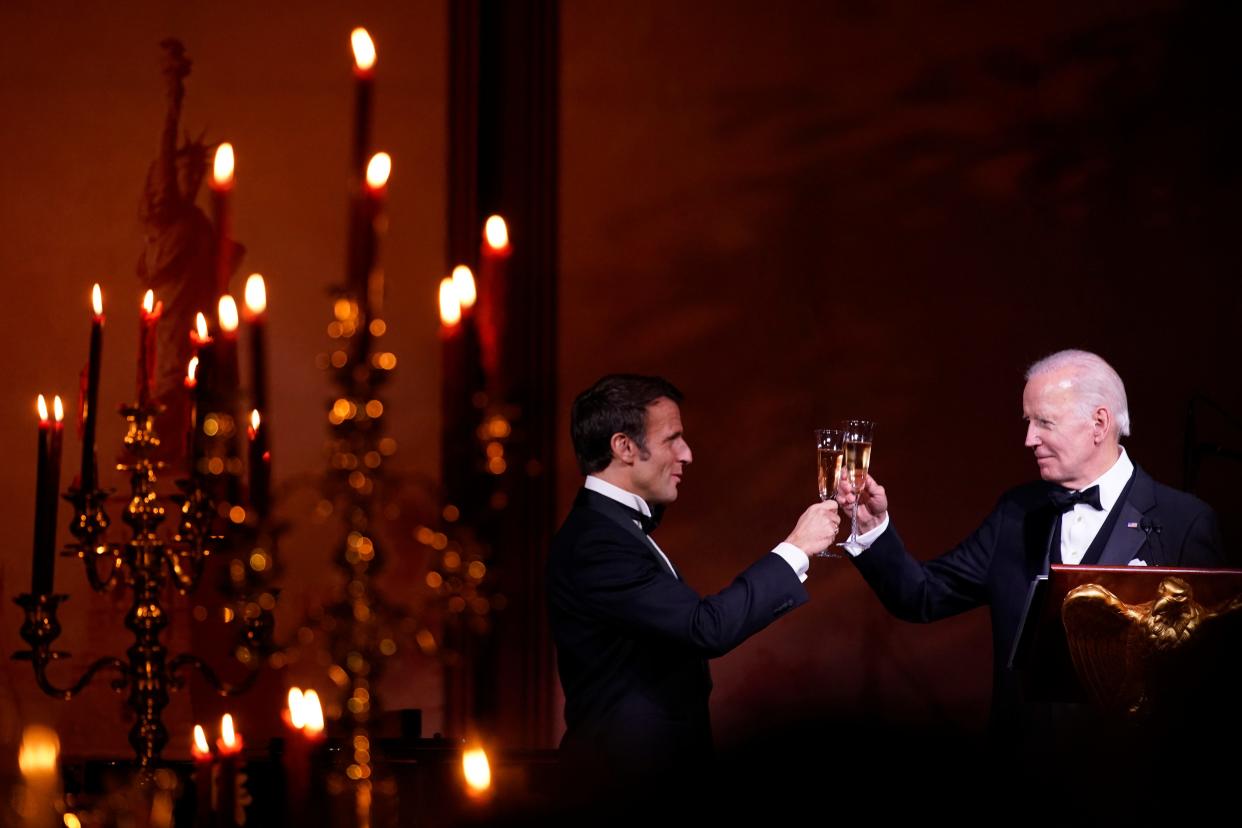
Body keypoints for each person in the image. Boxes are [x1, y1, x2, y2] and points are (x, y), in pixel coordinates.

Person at [837, 349, 1225, 738]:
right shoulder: (1015, 515)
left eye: (1044, 422)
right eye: (1028, 422)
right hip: (1024, 770)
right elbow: (920, 596)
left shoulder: (1184, 523)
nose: (1028, 439)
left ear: (1099, 423)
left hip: (1130, 775)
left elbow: (1209, 677)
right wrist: (872, 528)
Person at [547, 374, 839, 787]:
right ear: (624, 446)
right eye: (672, 439)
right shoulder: (597, 541)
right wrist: (796, 548)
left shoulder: (611, 530)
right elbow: (705, 628)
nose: (688, 454)